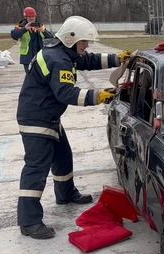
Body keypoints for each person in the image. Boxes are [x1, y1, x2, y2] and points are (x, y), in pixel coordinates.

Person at [16, 16, 132, 239]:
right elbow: (66, 93)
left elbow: (88, 61)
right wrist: (98, 96)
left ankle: (66, 194)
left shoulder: (61, 52)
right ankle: (29, 222)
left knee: (63, 157)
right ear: (70, 39)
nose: (85, 47)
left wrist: (118, 58)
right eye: (83, 42)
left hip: (47, 116)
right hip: (36, 120)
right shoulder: (58, 60)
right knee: (36, 169)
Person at [11, 7, 53, 74]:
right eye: (29, 17)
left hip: (40, 57)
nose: (31, 18)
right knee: (30, 77)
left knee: (42, 77)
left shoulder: (39, 25)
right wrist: (25, 29)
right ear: (25, 17)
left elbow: (51, 37)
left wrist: (44, 31)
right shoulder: (21, 26)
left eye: (33, 16)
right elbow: (14, 35)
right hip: (27, 58)